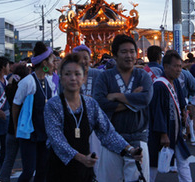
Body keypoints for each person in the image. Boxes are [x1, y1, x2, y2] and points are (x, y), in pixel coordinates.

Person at [44, 53, 143, 181]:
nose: (73, 78)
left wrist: (129, 149)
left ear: (84, 78)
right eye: (67, 74)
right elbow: (57, 140)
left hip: (85, 170)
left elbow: (107, 133)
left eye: (77, 74)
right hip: (59, 170)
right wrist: (81, 158)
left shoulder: (90, 104)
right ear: (61, 78)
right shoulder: (53, 105)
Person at [93, 34, 153, 181]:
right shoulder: (105, 77)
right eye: (124, 52)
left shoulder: (142, 76)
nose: (129, 55)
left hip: (138, 137)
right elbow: (100, 103)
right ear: (115, 55)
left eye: (132, 51)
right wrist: (133, 98)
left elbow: (145, 98)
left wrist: (116, 96)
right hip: (111, 138)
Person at [12, 42, 55, 182]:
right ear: (44, 63)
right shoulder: (28, 82)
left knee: (43, 170)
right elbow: (15, 106)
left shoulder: (50, 81)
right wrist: (16, 129)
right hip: (29, 134)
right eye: (52, 61)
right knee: (29, 171)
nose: (54, 65)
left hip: (45, 133)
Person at [148, 51, 192, 182]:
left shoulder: (176, 81)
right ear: (166, 67)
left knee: (183, 161)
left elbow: (181, 101)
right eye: (175, 66)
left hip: (176, 130)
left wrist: (184, 112)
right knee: (154, 164)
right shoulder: (159, 85)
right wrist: (163, 134)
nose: (179, 69)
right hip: (163, 131)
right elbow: (157, 111)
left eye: (180, 66)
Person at [0, 63, 29, 182]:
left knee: (9, 158)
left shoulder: (9, 89)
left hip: (11, 127)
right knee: (27, 159)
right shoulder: (26, 91)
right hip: (24, 129)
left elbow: (10, 82)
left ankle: (3, 177)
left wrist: (12, 78)